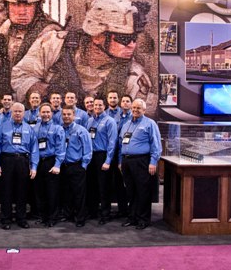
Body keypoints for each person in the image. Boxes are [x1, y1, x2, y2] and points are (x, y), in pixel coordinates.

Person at [11, 0, 156, 115]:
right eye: (123, 39)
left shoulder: (133, 77)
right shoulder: (54, 44)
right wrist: (45, 91)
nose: (132, 45)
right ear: (97, 36)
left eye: (134, 38)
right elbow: (20, 76)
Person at [0, 102, 39, 229]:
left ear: (24, 113)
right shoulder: (2, 127)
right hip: (6, 160)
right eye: (15, 111)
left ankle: (21, 218)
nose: (18, 113)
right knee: (6, 190)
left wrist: (34, 166)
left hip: (23, 161)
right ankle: (6, 219)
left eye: (20, 111)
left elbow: (34, 149)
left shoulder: (29, 128)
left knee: (22, 190)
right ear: (11, 112)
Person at [119, 99, 162, 230]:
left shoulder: (150, 123)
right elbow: (121, 143)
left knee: (143, 191)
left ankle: (143, 219)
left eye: (138, 108)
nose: (135, 110)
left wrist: (153, 162)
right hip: (126, 162)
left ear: (144, 110)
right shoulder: (126, 124)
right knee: (130, 191)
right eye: (134, 107)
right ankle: (132, 217)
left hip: (142, 161)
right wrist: (121, 161)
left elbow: (156, 144)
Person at [85, 97, 118, 225]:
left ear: (104, 106)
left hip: (103, 156)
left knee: (104, 186)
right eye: (95, 105)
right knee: (91, 185)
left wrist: (108, 160)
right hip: (91, 156)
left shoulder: (110, 121)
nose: (97, 107)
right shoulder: (90, 121)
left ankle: (105, 214)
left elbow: (112, 142)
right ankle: (92, 211)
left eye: (100, 105)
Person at [33, 102, 66, 227]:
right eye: (43, 112)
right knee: (39, 191)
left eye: (48, 112)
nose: (45, 114)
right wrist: (33, 165)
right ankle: (42, 216)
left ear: (52, 113)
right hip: (38, 162)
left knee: (52, 192)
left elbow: (60, 149)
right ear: (39, 113)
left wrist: (57, 165)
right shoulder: (35, 128)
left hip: (51, 162)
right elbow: (32, 148)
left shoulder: (58, 128)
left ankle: (52, 218)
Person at [60, 105, 92, 227]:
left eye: (69, 114)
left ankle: (80, 218)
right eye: (64, 114)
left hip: (77, 166)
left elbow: (88, 150)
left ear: (74, 116)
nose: (66, 116)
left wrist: (83, 166)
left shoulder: (81, 130)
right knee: (66, 192)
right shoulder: (60, 130)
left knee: (79, 194)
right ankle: (68, 214)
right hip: (63, 166)